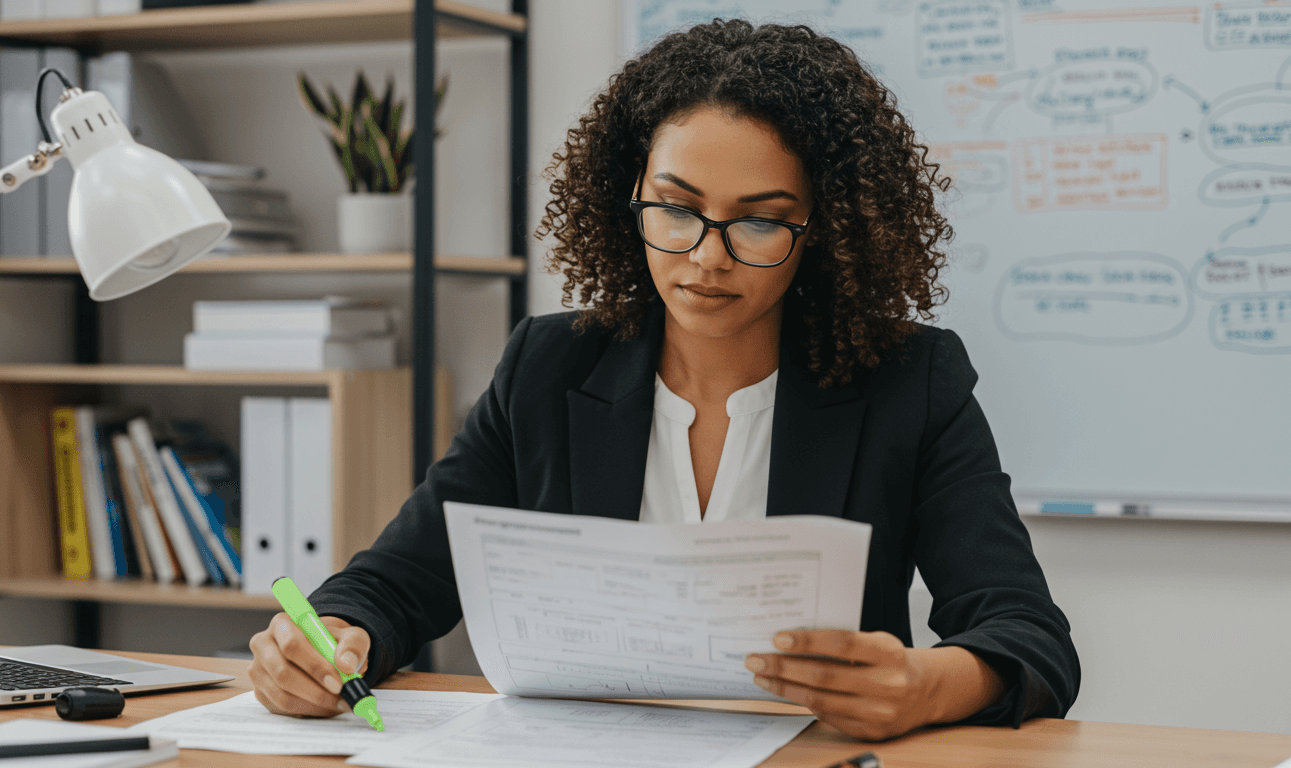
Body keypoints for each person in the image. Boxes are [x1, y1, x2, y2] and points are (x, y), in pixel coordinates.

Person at [248, 18, 1079, 741]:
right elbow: (400, 580)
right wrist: (328, 635)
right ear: (631, 194)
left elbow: (1028, 635)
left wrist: (925, 686)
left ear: (821, 226)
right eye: (676, 208)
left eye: (758, 220)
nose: (706, 256)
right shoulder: (548, 365)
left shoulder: (909, 382)